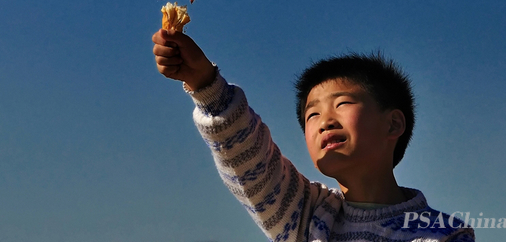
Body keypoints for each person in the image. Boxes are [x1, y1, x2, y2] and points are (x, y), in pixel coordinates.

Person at [152, 28, 475, 242]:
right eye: (312, 114)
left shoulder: (442, 234)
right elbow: (249, 161)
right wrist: (205, 84)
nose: (325, 121)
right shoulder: (305, 215)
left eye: (343, 103)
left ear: (393, 125)